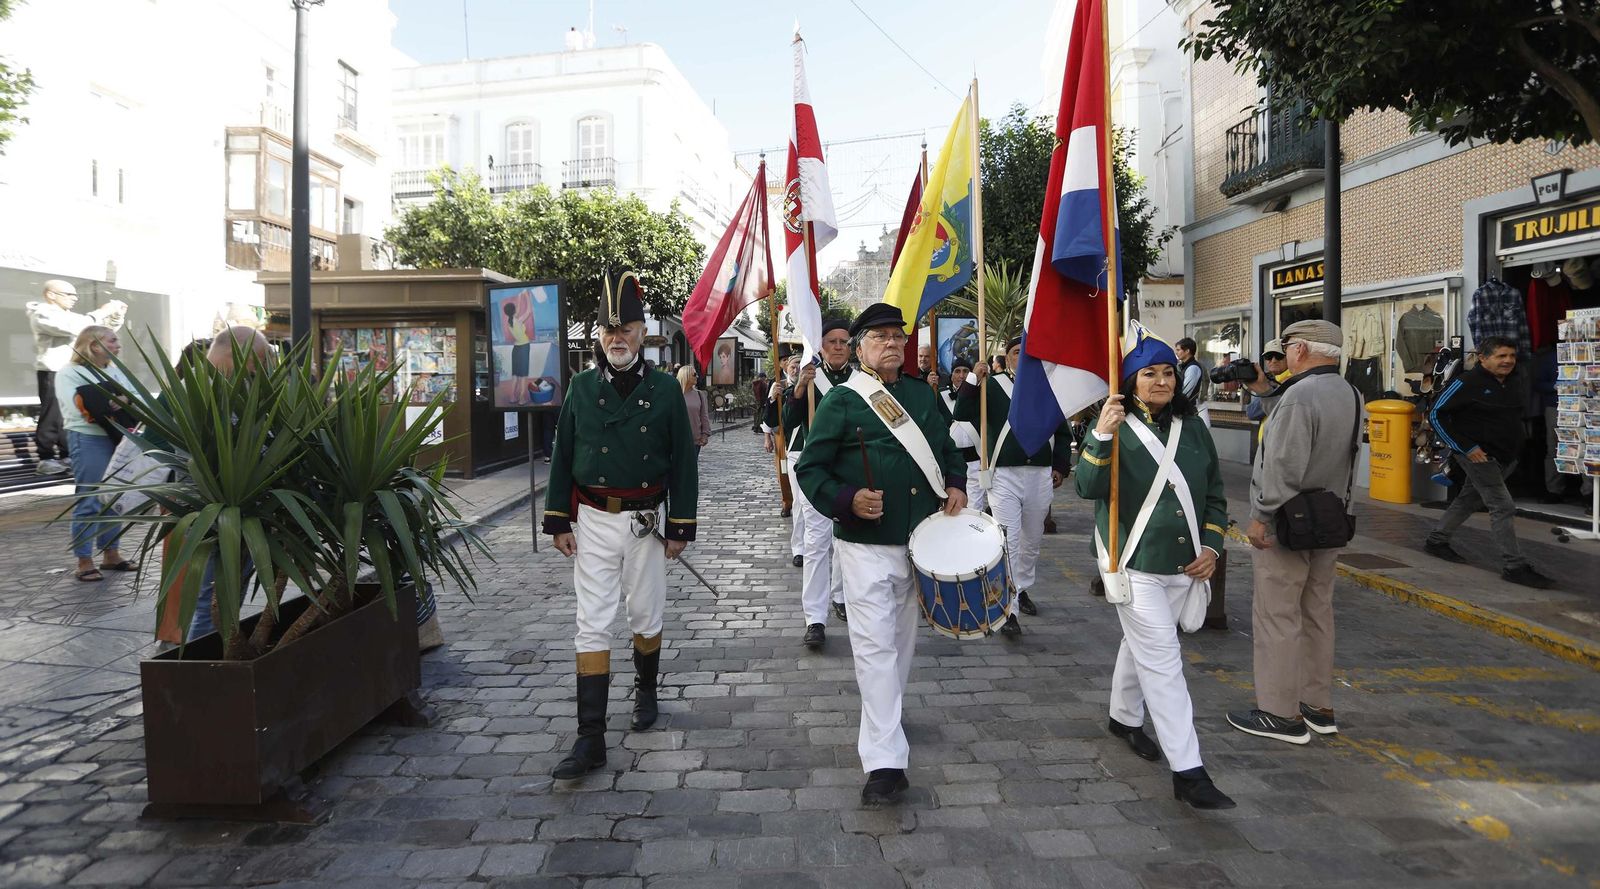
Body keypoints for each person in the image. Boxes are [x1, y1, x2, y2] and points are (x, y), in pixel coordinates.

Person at [795, 303, 967, 806]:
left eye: (897, 336)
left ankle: (885, 714)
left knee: (901, 644)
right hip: (865, 544)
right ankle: (885, 762)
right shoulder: (845, 401)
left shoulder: (920, 393)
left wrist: (955, 484)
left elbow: (946, 448)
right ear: (861, 346)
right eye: (880, 337)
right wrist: (848, 499)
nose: (891, 343)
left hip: (919, 540)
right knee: (873, 646)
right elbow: (811, 469)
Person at [544, 270, 698, 780]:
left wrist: (680, 524)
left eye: (626, 328)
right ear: (599, 336)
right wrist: (558, 518)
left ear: (642, 332)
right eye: (609, 330)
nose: (617, 338)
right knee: (591, 620)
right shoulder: (582, 388)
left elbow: (682, 463)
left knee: (645, 613)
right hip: (591, 519)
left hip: (645, 521)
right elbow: (563, 453)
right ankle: (591, 738)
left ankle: (646, 689)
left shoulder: (665, 390)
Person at [1075, 325, 1235, 809]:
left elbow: (1214, 496)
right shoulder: (1113, 426)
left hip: (1185, 566)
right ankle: (1188, 770)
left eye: (1168, 372)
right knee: (1163, 661)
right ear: (1130, 381)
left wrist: (1212, 547)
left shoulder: (1195, 428)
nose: (1162, 381)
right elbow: (1087, 487)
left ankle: (1124, 718)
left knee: (1141, 643)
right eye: (1149, 374)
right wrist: (1101, 434)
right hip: (1133, 562)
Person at [1226, 320, 1361, 745]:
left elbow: (1283, 464)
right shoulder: (1351, 393)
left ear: (1300, 349)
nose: (1283, 356)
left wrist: (1261, 515)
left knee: (1276, 615)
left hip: (1288, 520)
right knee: (1317, 612)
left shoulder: (1301, 396)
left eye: (1286, 348)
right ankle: (1317, 704)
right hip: (1331, 518)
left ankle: (1279, 712)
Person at [957, 337, 1073, 635]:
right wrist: (973, 377)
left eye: (1026, 353)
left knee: (1032, 539)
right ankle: (1008, 608)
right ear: (1006, 358)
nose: (1021, 357)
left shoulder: (1047, 389)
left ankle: (1022, 588)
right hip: (1003, 473)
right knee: (1008, 540)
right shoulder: (991, 385)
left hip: (1040, 473)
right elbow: (961, 412)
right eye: (1016, 353)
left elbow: (1062, 432)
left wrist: (1060, 466)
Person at [1423, 336, 1555, 588]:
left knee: (1468, 499)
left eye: (1512, 356)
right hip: (1479, 457)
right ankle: (1514, 566)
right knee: (1502, 506)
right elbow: (1436, 414)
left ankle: (1436, 541)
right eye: (1501, 356)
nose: (1508, 361)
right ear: (1483, 358)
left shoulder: (1515, 380)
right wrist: (1466, 447)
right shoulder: (1466, 381)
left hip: (1507, 456)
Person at [189, 326, 275, 640]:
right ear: (240, 357)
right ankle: (202, 671)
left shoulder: (220, 389)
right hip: (213, 514)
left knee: (221, 597)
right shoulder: (200, 392)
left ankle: (212, 660)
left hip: (232, 513)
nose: (264, 371)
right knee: (209, 600)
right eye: (261, 362)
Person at [781, 319, 855, 647]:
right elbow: (786, 422)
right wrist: (798, 390)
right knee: (816, 546)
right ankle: (815, 619)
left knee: (847, 544)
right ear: (821, 345)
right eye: (832, 341)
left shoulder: (863, 380)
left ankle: (840, 596)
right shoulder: (811, 379)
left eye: (844, 341)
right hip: (818, 476)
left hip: (853, 476)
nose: (838, 346)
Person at [57, 326, 137, 583]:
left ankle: (111, 554)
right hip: (88, 437)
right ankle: (84, 560)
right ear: (93, 345)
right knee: (90, 498)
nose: (118, 345)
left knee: (112, 496)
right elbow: (78, 406)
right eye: (112, 340)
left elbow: (133, 399)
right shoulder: (70, 372)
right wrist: (115, 400)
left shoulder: (114, 372)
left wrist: (112, 401)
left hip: (117, 437)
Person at [27, 280, 127, 475]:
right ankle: (46, 457)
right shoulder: (41, 314)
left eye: (75, 295)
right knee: (53, 413)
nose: (74, 299)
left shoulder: (72, 316)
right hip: (54, 369)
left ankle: (67, 454)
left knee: (73, 411)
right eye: (68, 294)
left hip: (78, 369)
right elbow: (78, 327)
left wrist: (116, 314)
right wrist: (103, 311)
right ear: (51, 295)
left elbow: (100, 329)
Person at [941, 361, 986, 514]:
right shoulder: (939, 395)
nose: (961, 375)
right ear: (951, 374)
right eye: (957, 371)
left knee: (975, 506)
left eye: (966, 371)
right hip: (951, 460)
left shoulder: (982, 394)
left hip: (975, 457)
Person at [1174, 337, 1211, 426]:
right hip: (1191, 410)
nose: (1176, 352)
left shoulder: (1192, 368)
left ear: (1187, 351)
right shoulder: (1185, 366)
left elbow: (1186, 393)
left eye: (1179, 350)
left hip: (1193, 411)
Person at [678, 365, 712, 458]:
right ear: (686, 375)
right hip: (676, 440)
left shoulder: (699, 394)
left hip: (695, 441)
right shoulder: (674, 394)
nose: (697, 376)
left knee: (691, 469)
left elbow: (704, 416)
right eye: (694, 374)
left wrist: (705, 435)